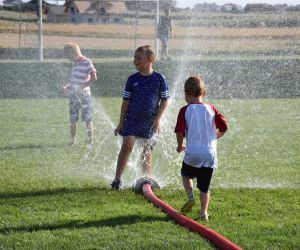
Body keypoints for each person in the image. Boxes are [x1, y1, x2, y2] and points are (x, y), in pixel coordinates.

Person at [111, 45, 170, 190]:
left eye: (138, 58)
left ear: (150, 59)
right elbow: (125, 102)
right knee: (127, 145)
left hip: (149, 121)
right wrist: (120, 123)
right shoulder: (132, 79)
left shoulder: (159, 78)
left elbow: (165, 100)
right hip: (131, 119)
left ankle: (147, 179)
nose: (135, 60)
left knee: (146, 149)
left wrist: (158, 119)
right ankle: (117, 179)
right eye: (134, 57)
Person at [174, 76, 228, 221]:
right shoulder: (211, 109)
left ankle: (190, 196)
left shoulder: (185, 110)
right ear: (203, 93)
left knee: (186, 175)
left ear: (186, 94)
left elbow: (179, 131)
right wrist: (214, 137)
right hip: (210, 154)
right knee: (204, 187)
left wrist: (180, 146)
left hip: (193, 153)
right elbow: (224, 127)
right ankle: (204, 213)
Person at [63, 42, 97, 145]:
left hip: (84, 96)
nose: (69, 60)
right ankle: (73, 141)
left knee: (87, 119)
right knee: (73, 119)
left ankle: (90, 141)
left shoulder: (87, 62)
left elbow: (94, 78)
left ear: (74, 54)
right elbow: (74, 81)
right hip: (74, 96)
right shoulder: (75, 64)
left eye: (69, 57)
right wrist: (67, 87)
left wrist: (81, 87)